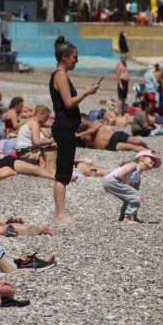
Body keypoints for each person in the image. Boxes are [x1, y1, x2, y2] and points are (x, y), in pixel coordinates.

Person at [50, 36, 99, 225]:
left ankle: (61, 213)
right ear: (64, 57)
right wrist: (86, 92)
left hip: (65, 128)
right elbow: (69, 103)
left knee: (65, 169)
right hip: (63, 127)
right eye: (74, 57)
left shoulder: (61, 75)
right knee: (63, 171)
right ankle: (59, 215)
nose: (76, 60)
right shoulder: (60, 75)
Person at [102, 150, 160, 223]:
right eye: (152, 158)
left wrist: (140, 196)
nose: (154, 161)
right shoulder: (134, 165)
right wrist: (129, 186)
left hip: (113, 183)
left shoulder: (139, 174)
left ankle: (127, 217)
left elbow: (136, 190)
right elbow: (120, 175)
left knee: (132, 198)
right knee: (136, 196)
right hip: (113, 181)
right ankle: (127, 219)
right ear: (142, 158)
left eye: (155, 161)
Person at [76, 118, 149, 152]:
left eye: (81, 121)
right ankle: (148, 153)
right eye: (79, 124)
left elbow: (93, 130)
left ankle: (148, 148)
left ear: (86, 119)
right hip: (108, 146)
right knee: (131, 147)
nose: (81, 124)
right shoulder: (83, 136)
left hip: (114, 136)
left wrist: (78, 134)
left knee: (137, 141)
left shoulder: (95, 122)